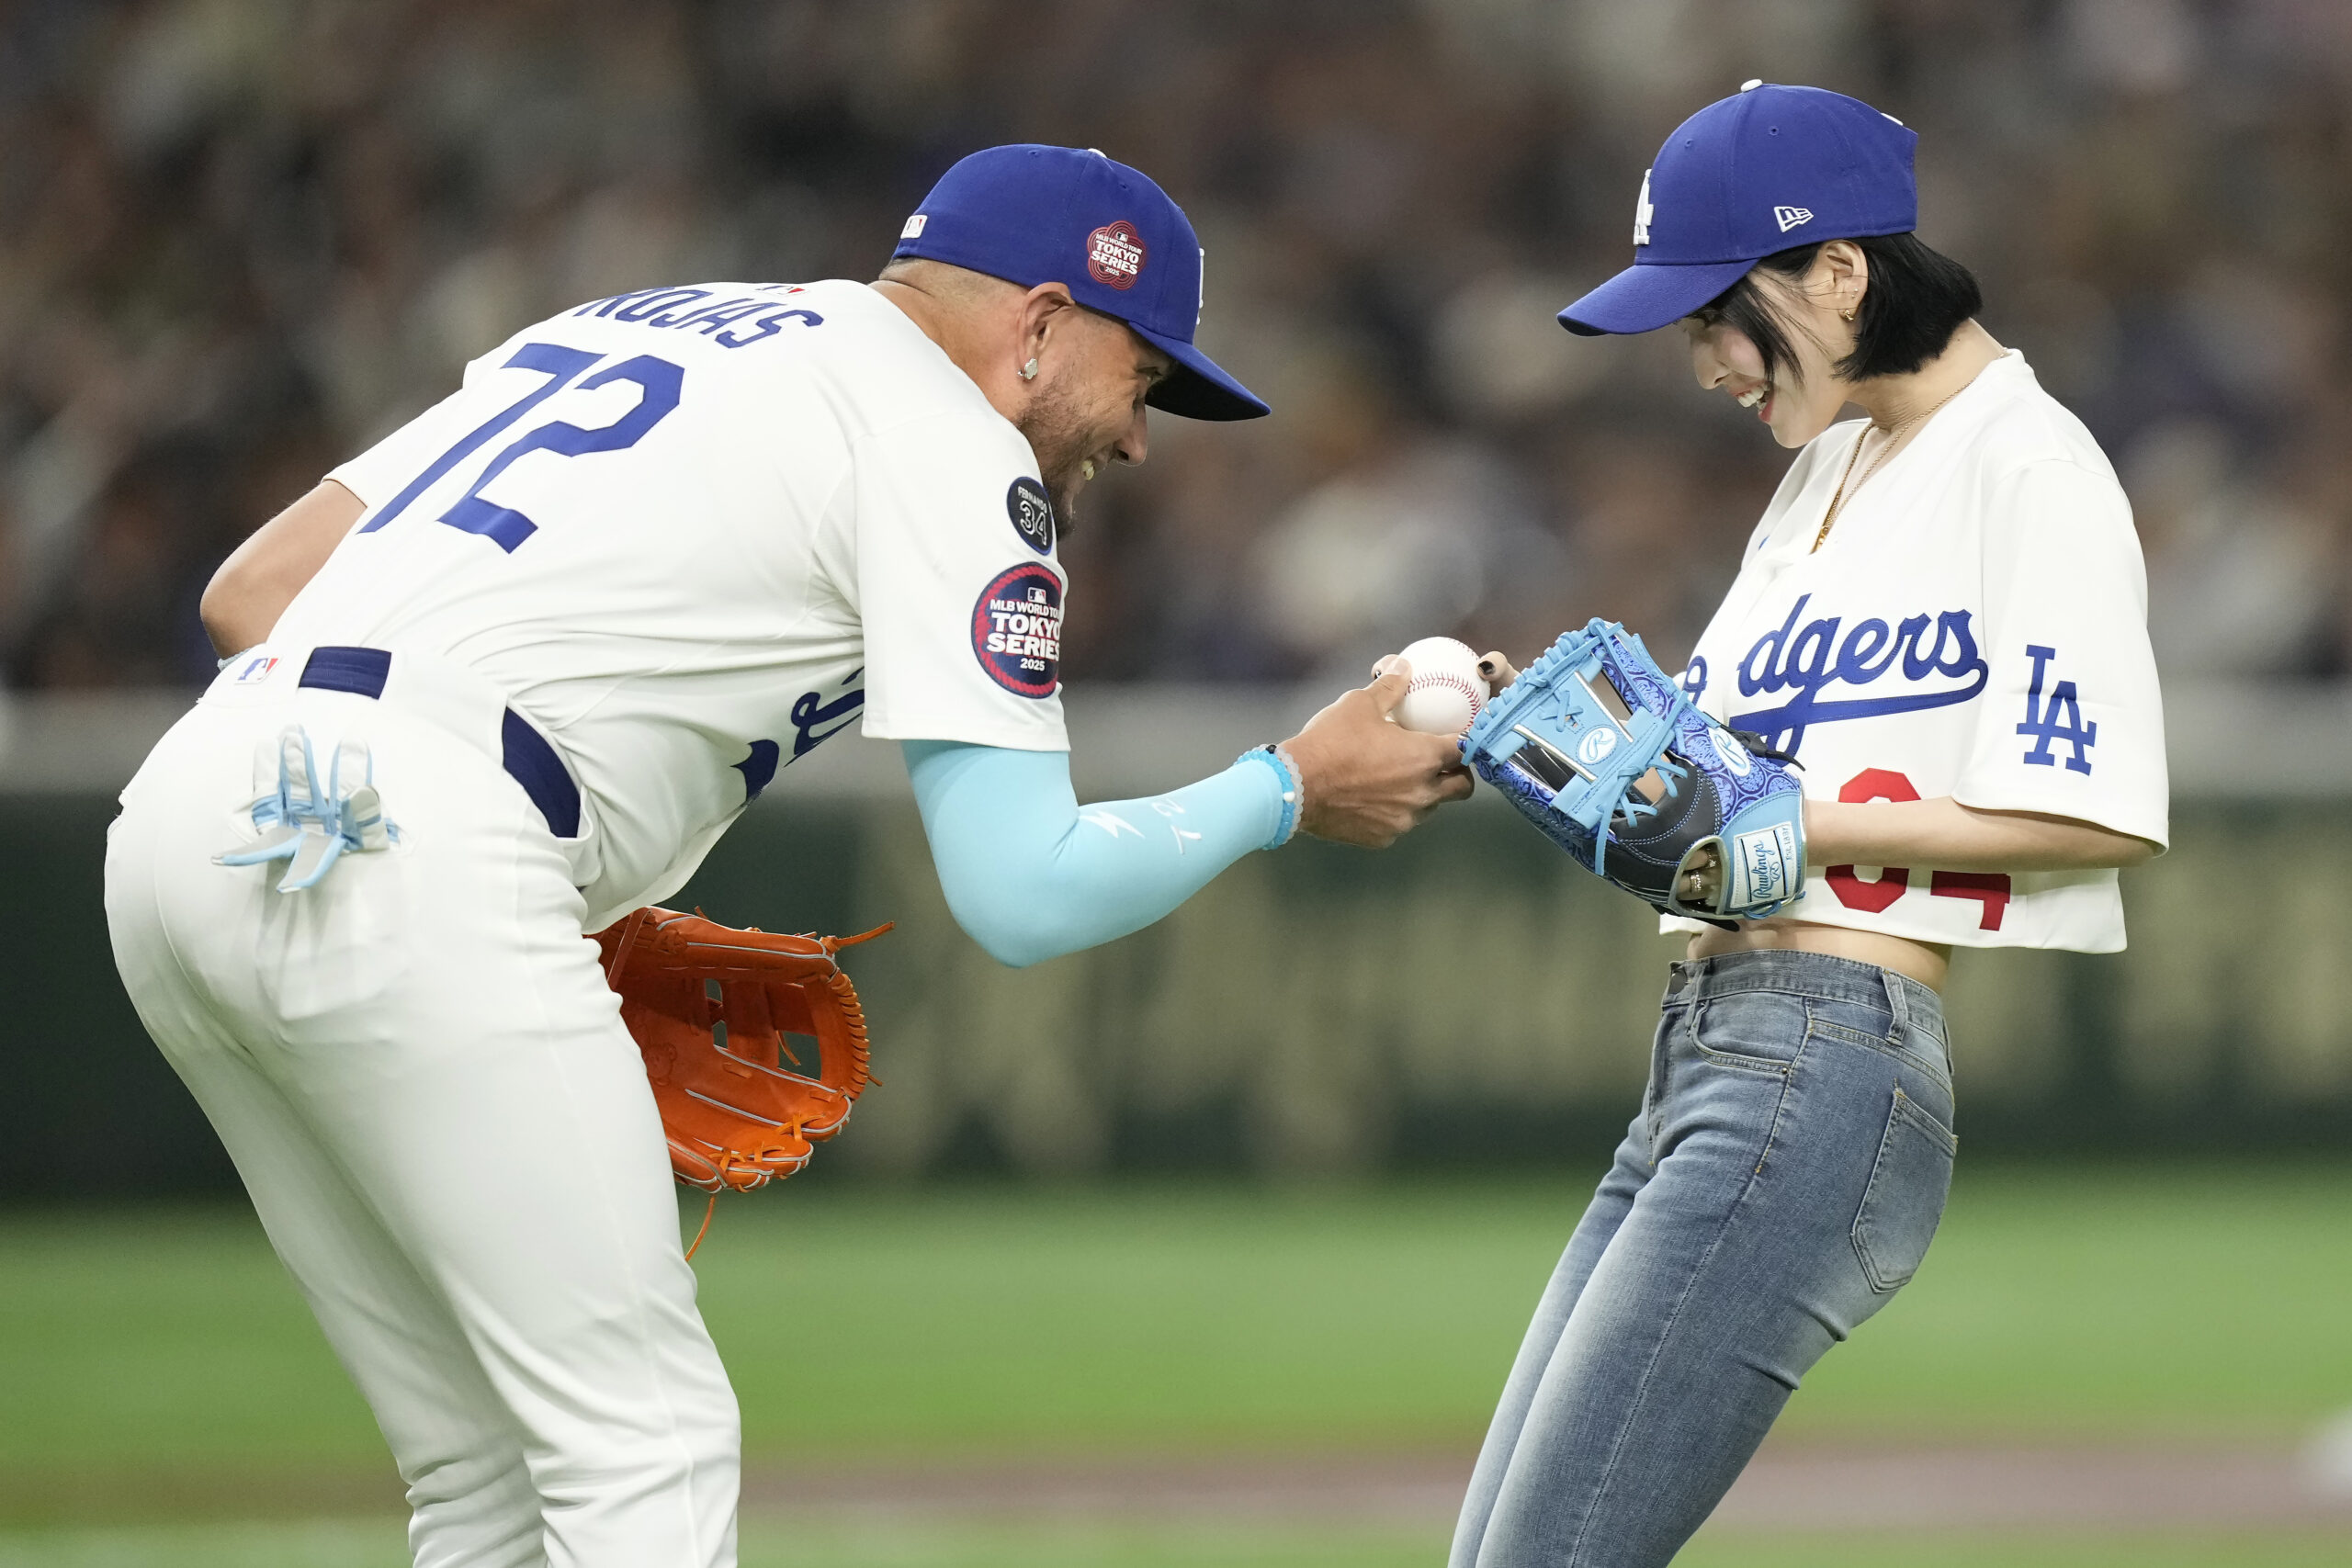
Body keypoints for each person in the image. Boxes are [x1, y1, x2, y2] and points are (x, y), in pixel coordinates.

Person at [103, 144, 1471, 1568]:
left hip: (190, 819)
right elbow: (1024, 891)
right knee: (646, 1448)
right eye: (1145, 378)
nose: (1137, 439)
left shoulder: (628, 322)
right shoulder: (950, 441)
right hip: (425, 839)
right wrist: (1290, 783)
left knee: (487, 1472)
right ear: (1045, 326)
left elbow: (250, 593)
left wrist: (512, 875)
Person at [1451, 84, 2168, 1568]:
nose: (1707, 360)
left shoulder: (2029, 462)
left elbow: (2094, 814)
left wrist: (1795, 819)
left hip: (1829, 1058)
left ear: (1839, 273)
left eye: (1720, 316)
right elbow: (1711, 779)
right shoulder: (1822, 469)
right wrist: (1538, 720)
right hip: (1708, 1047)